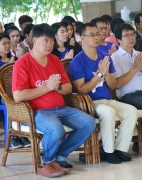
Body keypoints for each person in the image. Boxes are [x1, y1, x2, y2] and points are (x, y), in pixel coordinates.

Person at [12, 23, 95, 178]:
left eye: (51, 41)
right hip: (36, 111)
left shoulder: (55, 60)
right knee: (56, 129)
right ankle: (47, 162)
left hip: (61, 108)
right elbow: (18, 96)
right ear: (34, 40)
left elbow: (68, 88)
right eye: (45, 41)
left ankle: (60, 156)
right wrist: (48, 87)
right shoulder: (22, 63)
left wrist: (56, 88)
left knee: (89, 123)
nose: (50, 45)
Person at [69, 22, 138, 164]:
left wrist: (106, 74)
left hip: (106, 99)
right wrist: (100, 74)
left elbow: (113, 85)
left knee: (131, 111)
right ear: (82, 38)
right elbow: (81, 89)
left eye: (98, 34)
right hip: (88, 103)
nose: (97, 37)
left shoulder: (104, 56)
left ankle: (120, 149)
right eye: (92, 35)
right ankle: (109, 151)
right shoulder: (77, 61)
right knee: (108, 112)